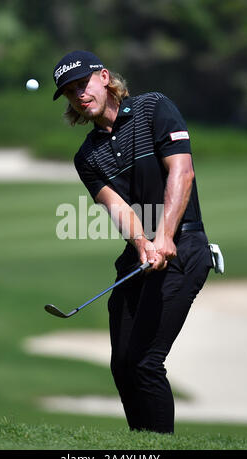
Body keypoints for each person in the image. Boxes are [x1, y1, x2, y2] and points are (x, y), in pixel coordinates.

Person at [52, 50, 213, 434]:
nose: (78, 94)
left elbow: (182, 172)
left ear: (104, 77)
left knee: (145, 361)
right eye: (69, 92)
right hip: (140, 254)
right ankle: (139, 447)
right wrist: (143, 242)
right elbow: (118, 207)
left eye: (82, 84)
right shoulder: (87, 156)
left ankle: (160, 448)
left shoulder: (154, 108)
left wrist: (165, 236)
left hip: (185, 247)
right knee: (123, 363)